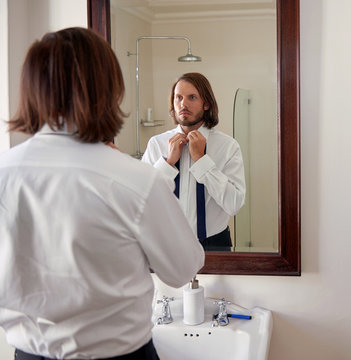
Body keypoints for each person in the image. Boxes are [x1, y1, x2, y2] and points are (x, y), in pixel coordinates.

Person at [0, 27, 205, 360]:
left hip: (26, 353)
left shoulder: (3, 174)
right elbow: (183, 270)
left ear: (31, 89)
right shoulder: (135, 179)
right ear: (108, 88)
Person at [142, 73, 246, 251]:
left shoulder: (228, 146)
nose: (183, 104)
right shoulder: (156, 144)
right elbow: (142, 202)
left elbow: (234, 204)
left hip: (214, 244)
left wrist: (202, 161)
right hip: (166, 243)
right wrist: (167, 164)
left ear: (206, 104)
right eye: (178, 98)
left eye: (192, 97)